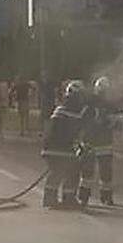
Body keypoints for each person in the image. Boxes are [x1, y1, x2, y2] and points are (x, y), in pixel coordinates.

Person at [42, 80, 86, 208]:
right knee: (72, 172)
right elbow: (76, 132)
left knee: (55, 173)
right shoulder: (76, 112)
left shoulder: (60, 109)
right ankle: (69, 199)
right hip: (63, 150)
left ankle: (49, 199)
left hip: (49, 149)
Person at [77, 76, 117, 206]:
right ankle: (86, 197)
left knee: (102, 173)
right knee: (90, 172)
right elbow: (83, 120)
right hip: (93, 142)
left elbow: (113, 121)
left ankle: (100, 197)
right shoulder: (91, 103)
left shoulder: (108, 104)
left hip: (99, 142)